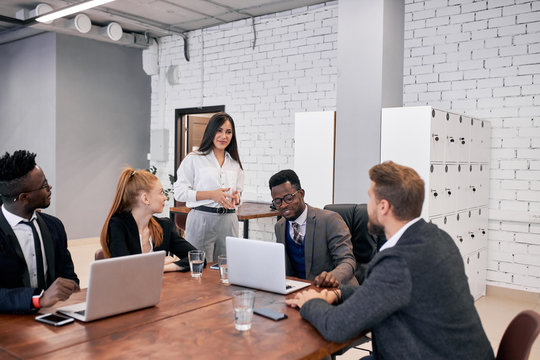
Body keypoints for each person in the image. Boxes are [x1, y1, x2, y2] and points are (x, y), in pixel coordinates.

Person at [286, 161, 495, 360]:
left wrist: (310, 302)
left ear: (383, 206)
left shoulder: (399, 261)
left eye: (370, 199)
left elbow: (337, 327)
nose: (368, 207)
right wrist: (338, 293)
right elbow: (381, 292)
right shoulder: (436, 237)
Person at [0, 150, 79, 314]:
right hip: (8, 324)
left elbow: (69, 276)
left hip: (52, 318)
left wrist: (70, 286)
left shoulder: (54, 226)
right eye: (44, 185)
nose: (49, 187)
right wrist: (38, 299)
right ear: (24, 197)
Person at [174, 112, 244, 262]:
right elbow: (179, 193)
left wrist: (237, 199)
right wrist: (211, 195)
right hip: (201, 219)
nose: (223, 136)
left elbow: (239, 193)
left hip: (229, 221)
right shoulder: (194, 159)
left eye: (228, 132)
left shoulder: (235, 163)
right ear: (210, 131)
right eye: (219, 130)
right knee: (199, 267)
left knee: (227, 268)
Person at [269, 169, 357, 287]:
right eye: (277, 201)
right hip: (298, 291)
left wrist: (332, 277)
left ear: (301, 194)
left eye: (288, 198)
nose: (283, 205)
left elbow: (347, 261)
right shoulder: (279, 226)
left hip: (332, 290)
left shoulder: (330, 220)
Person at [101, 168, 198, 272]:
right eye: (161, 192)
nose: (165, 198)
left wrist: (163, 267)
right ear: (145, 199)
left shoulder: (164, 226)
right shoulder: (118, 225)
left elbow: (197, 257)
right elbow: (124, 268)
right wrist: (162, 261)